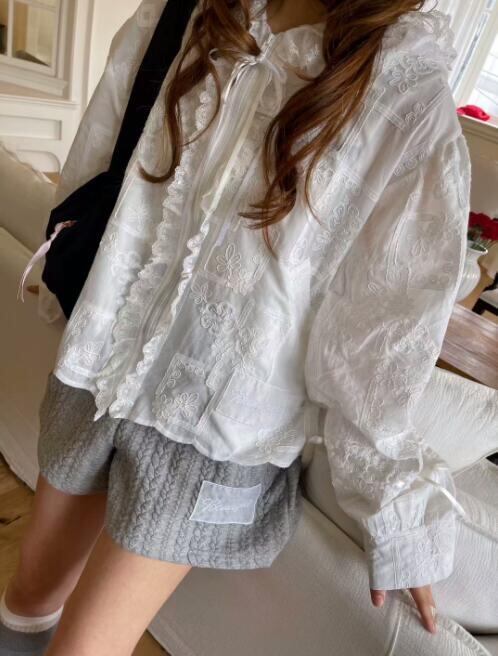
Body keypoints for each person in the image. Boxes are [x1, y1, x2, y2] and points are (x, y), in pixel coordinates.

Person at [0, 0, 472, 654]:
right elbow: (99, 151)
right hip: (97, 372)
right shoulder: (186, 13)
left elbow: (385, 327)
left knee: (84, 646)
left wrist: (398, 511)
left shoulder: (405, 87)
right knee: (30, 592)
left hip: (214, 429)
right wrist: (65, 289)